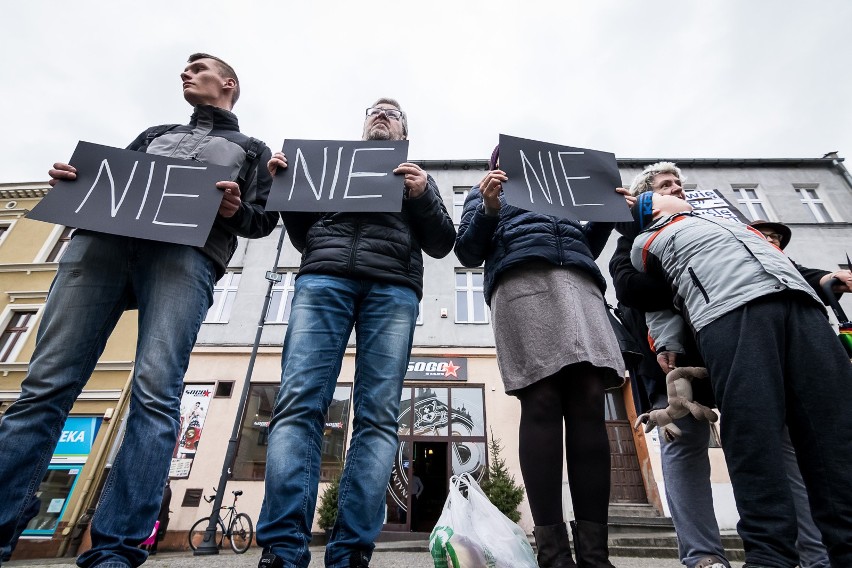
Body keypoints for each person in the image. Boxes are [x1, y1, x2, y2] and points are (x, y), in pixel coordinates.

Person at [0, 53, 278, 568]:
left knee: (156, 394)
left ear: (229, 83)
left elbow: (263, 222)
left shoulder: (251, 148)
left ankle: (116, 548)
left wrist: (236, 208)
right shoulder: (154, 132)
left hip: (185, 255)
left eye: (199, 67)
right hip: (100, 246)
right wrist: (75, 181)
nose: (186, 73)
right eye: (184, 69)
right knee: (43, 388)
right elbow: (108, 182)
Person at [256, 98, 455, 568]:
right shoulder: (331, 169)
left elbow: (443, 241)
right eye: (374, 111)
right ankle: (283, 550)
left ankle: (350, 553)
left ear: (404, 130)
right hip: (324, 277)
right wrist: (287, 187)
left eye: (392, 112)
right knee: (298, 404)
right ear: (363, 125)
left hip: (393, 289)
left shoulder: (417, 175)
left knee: (378, 417)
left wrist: (423, 194)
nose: (381, 115)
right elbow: (304, 234)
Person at [630, 190, 852, 568]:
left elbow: (789, 263)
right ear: (650, 209)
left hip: (801, 306)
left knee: (834, 429)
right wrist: (667, 340)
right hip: (729, 311)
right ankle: (770, 554)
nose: (678, 192)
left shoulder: (739, 226)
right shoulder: (646, 241)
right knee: (753, 427)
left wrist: (825, 277)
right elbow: (656, 299)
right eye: (665, 192)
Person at [454, 146, 630, 568]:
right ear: (495, 163)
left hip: (579, 285)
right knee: (542, 399)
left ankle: (595, 556)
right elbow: (467, 252)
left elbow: (586, 243)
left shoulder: (563, 193)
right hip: (521, 281)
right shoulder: (483, 194)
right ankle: (553, 554)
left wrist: (607, 212)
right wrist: (490, 208)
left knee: (590, 398)